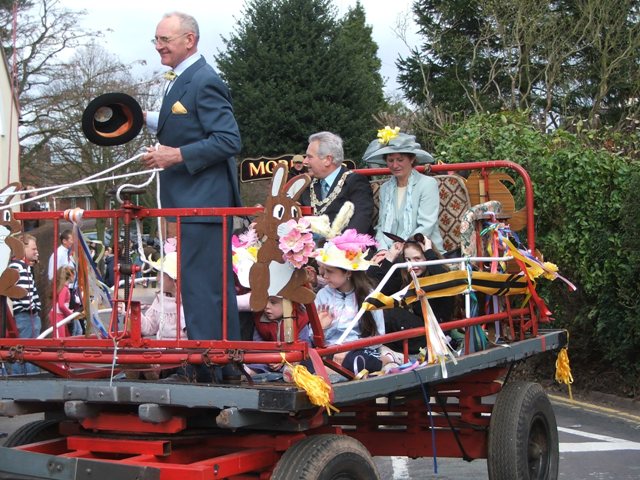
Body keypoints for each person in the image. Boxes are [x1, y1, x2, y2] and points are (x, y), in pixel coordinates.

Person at [141, 12, 242, 382]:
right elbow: (185, 122)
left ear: (190, 40)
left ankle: (210, 370)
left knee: (204, 289)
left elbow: (229, 140)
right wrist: (143, 117)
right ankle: (218, 367)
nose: (158, 46)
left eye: (164, 39)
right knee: (203, 287)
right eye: (155, 39)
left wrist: (175, 155)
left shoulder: (204, 79)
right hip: (191, 203)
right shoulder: (183, 80)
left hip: (204, 203)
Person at [311, 230, 387, 376]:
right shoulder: (322, 295)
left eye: (330, 271)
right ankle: (327, 371)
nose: (324, 276)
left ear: (348, 273)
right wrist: (320, 328)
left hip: (358, 351)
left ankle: (387, 359)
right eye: (323, 270)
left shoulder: (369, 295)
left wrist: (348, 349)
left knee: (356, 362)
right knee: (305, 361)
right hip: (329, 351)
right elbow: (312, 338)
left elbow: (378, 336)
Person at [367, 233, 456, 354]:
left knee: (392, 313)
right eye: (408, 259)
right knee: (380, 307)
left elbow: (444, 281)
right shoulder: (405, 274)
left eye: (417, 259)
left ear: (427, 257)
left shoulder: (440, 272)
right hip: (412, 334)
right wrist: (389, 257)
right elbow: (375, 290)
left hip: (435, 334)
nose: (412, 264)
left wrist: (429, 252)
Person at [362, 131, 444, 253]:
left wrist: (402, 250)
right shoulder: (385, 188)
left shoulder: (427, 184)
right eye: (390, 160)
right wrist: (383, 249)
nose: (395, 165)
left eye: (400, 159)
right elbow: (381, 226)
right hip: (391, 251)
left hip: (421, 250)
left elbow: (426, 226)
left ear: (412, 159)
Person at [300, 132, 375, 240]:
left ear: (327, 160)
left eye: (309, 157)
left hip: (347, 251)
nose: (305, 161)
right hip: (311, 251)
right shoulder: (307, 185)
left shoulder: (356, 182)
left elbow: (361, 221)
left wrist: (334, 248)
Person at [244, 295, 310, 378]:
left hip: (291, 358)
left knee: (297, 363)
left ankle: (290, 373)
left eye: (273, 302)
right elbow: (258, 345)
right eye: (264, 301)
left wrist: (283, 359)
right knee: (258, 364)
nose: (266, 306)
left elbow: (304, 345)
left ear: (287, 303)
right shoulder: (260, 320)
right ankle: (249, 372)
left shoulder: (299, 320)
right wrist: (269, 358)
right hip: (269, 358)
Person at [8, 234, 42, 374]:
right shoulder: (18, 267)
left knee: (24, 348)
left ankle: (23, 377)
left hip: (27, 315)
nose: (36, 251)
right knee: (27, 350)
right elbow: (20, 295)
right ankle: (27, 378)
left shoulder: (21, 266)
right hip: (26, 315)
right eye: (33, 248)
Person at [140, 252, 186, 340]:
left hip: (184, 352)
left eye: (161, 274)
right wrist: (133, 312)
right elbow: (149, 328)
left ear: (173, 279)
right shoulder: (160, 299)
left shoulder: (190, 301)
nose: (157, 279)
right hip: (163, 351)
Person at [49, 266, 76, 337]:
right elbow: (61, 305)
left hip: (59, 315)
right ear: (70, 276)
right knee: (60, 337)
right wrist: (69, 313)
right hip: (57, 315)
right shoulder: (64, 289)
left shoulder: (64, 288)